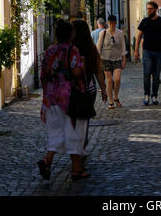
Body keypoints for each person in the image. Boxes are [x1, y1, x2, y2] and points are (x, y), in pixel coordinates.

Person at [38, 19, 90, 181]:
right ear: (71, 35)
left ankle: (47, 161)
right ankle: (77, 169)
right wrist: (82, 67)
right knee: (73, 131)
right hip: (69, 97)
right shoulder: (71, 50)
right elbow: (75, 72)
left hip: (51, 98)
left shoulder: (49, 51)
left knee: (56, 131)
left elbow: (43, 75)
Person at [72, 20, 108, 148]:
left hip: (72, 89)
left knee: (73, 119)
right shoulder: (92, 50)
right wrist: (103, 90)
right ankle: (81, 146)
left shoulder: (70, 49)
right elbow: (98, 72)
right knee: (83, 120)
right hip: (89, 89)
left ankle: (75, 148)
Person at [134, 2, 161, 106]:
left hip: (159, 52)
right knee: (147, 73)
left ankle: (154, 95)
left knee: (156, 76)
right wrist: (136, 50)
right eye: (147, 9)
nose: (148, 11)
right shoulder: (144, 21)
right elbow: (138, 37)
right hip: (147, 51)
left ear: (156, 9)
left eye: (150, 9)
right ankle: (146, 95)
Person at [97, 15, 126, 110]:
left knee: (117, 79)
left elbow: (123, 46)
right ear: (108, 23)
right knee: (109, 81)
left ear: (116, 23)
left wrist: (124, 59)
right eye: (110, 23)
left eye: (113, 23)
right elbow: (98, 47)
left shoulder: (120, 33)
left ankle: (116, 96)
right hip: (106, 59)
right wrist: (99, 60)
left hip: (117, 58)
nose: (112, 25)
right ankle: (111, 101)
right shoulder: (103, 33)